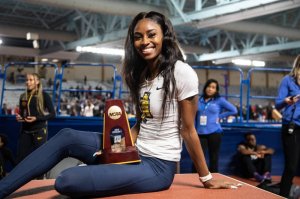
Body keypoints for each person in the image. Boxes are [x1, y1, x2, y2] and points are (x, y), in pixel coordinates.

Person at [0, 11, 240, 198]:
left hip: (157, 166)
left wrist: (206, 177)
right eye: (138, 36)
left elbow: (188, 131)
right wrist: (116, 146)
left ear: (164, 36)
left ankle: (97, 171)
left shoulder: (181, 72)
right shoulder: (143, 75)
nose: (144, 41)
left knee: (66, 180)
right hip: (133, 150)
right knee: (67, 135)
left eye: (151, 34)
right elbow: (143, 122)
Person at [194, 79, 237, 172]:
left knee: (213, 158)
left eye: (213, 87)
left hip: (214, 132)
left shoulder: (219, 100)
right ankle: (195, 177)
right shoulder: (199, 100)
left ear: (216, 90)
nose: (210, 89)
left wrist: (220, 116)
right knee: (198, 158)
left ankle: (214, 178)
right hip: (200, 132)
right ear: (205, 88)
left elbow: (234, 110)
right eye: (208, 87)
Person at [16, 73, 56, 163]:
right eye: (27, 80)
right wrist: (20, 117)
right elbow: (23, 113)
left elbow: (53, 114)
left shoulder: (44, 95)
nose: (28, 82)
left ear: (37, 82)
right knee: (20, 159)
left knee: (40, 159)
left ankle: (41, 177)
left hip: (39, 131)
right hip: (25, 132)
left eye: (31, 80)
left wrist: (36, 118)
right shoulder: (23, 96)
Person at [275, 55, 300, 198]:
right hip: (293, 127)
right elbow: (278, 104)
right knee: (291, 166)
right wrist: (288, 100)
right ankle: (283, 196)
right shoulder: (288, 80)